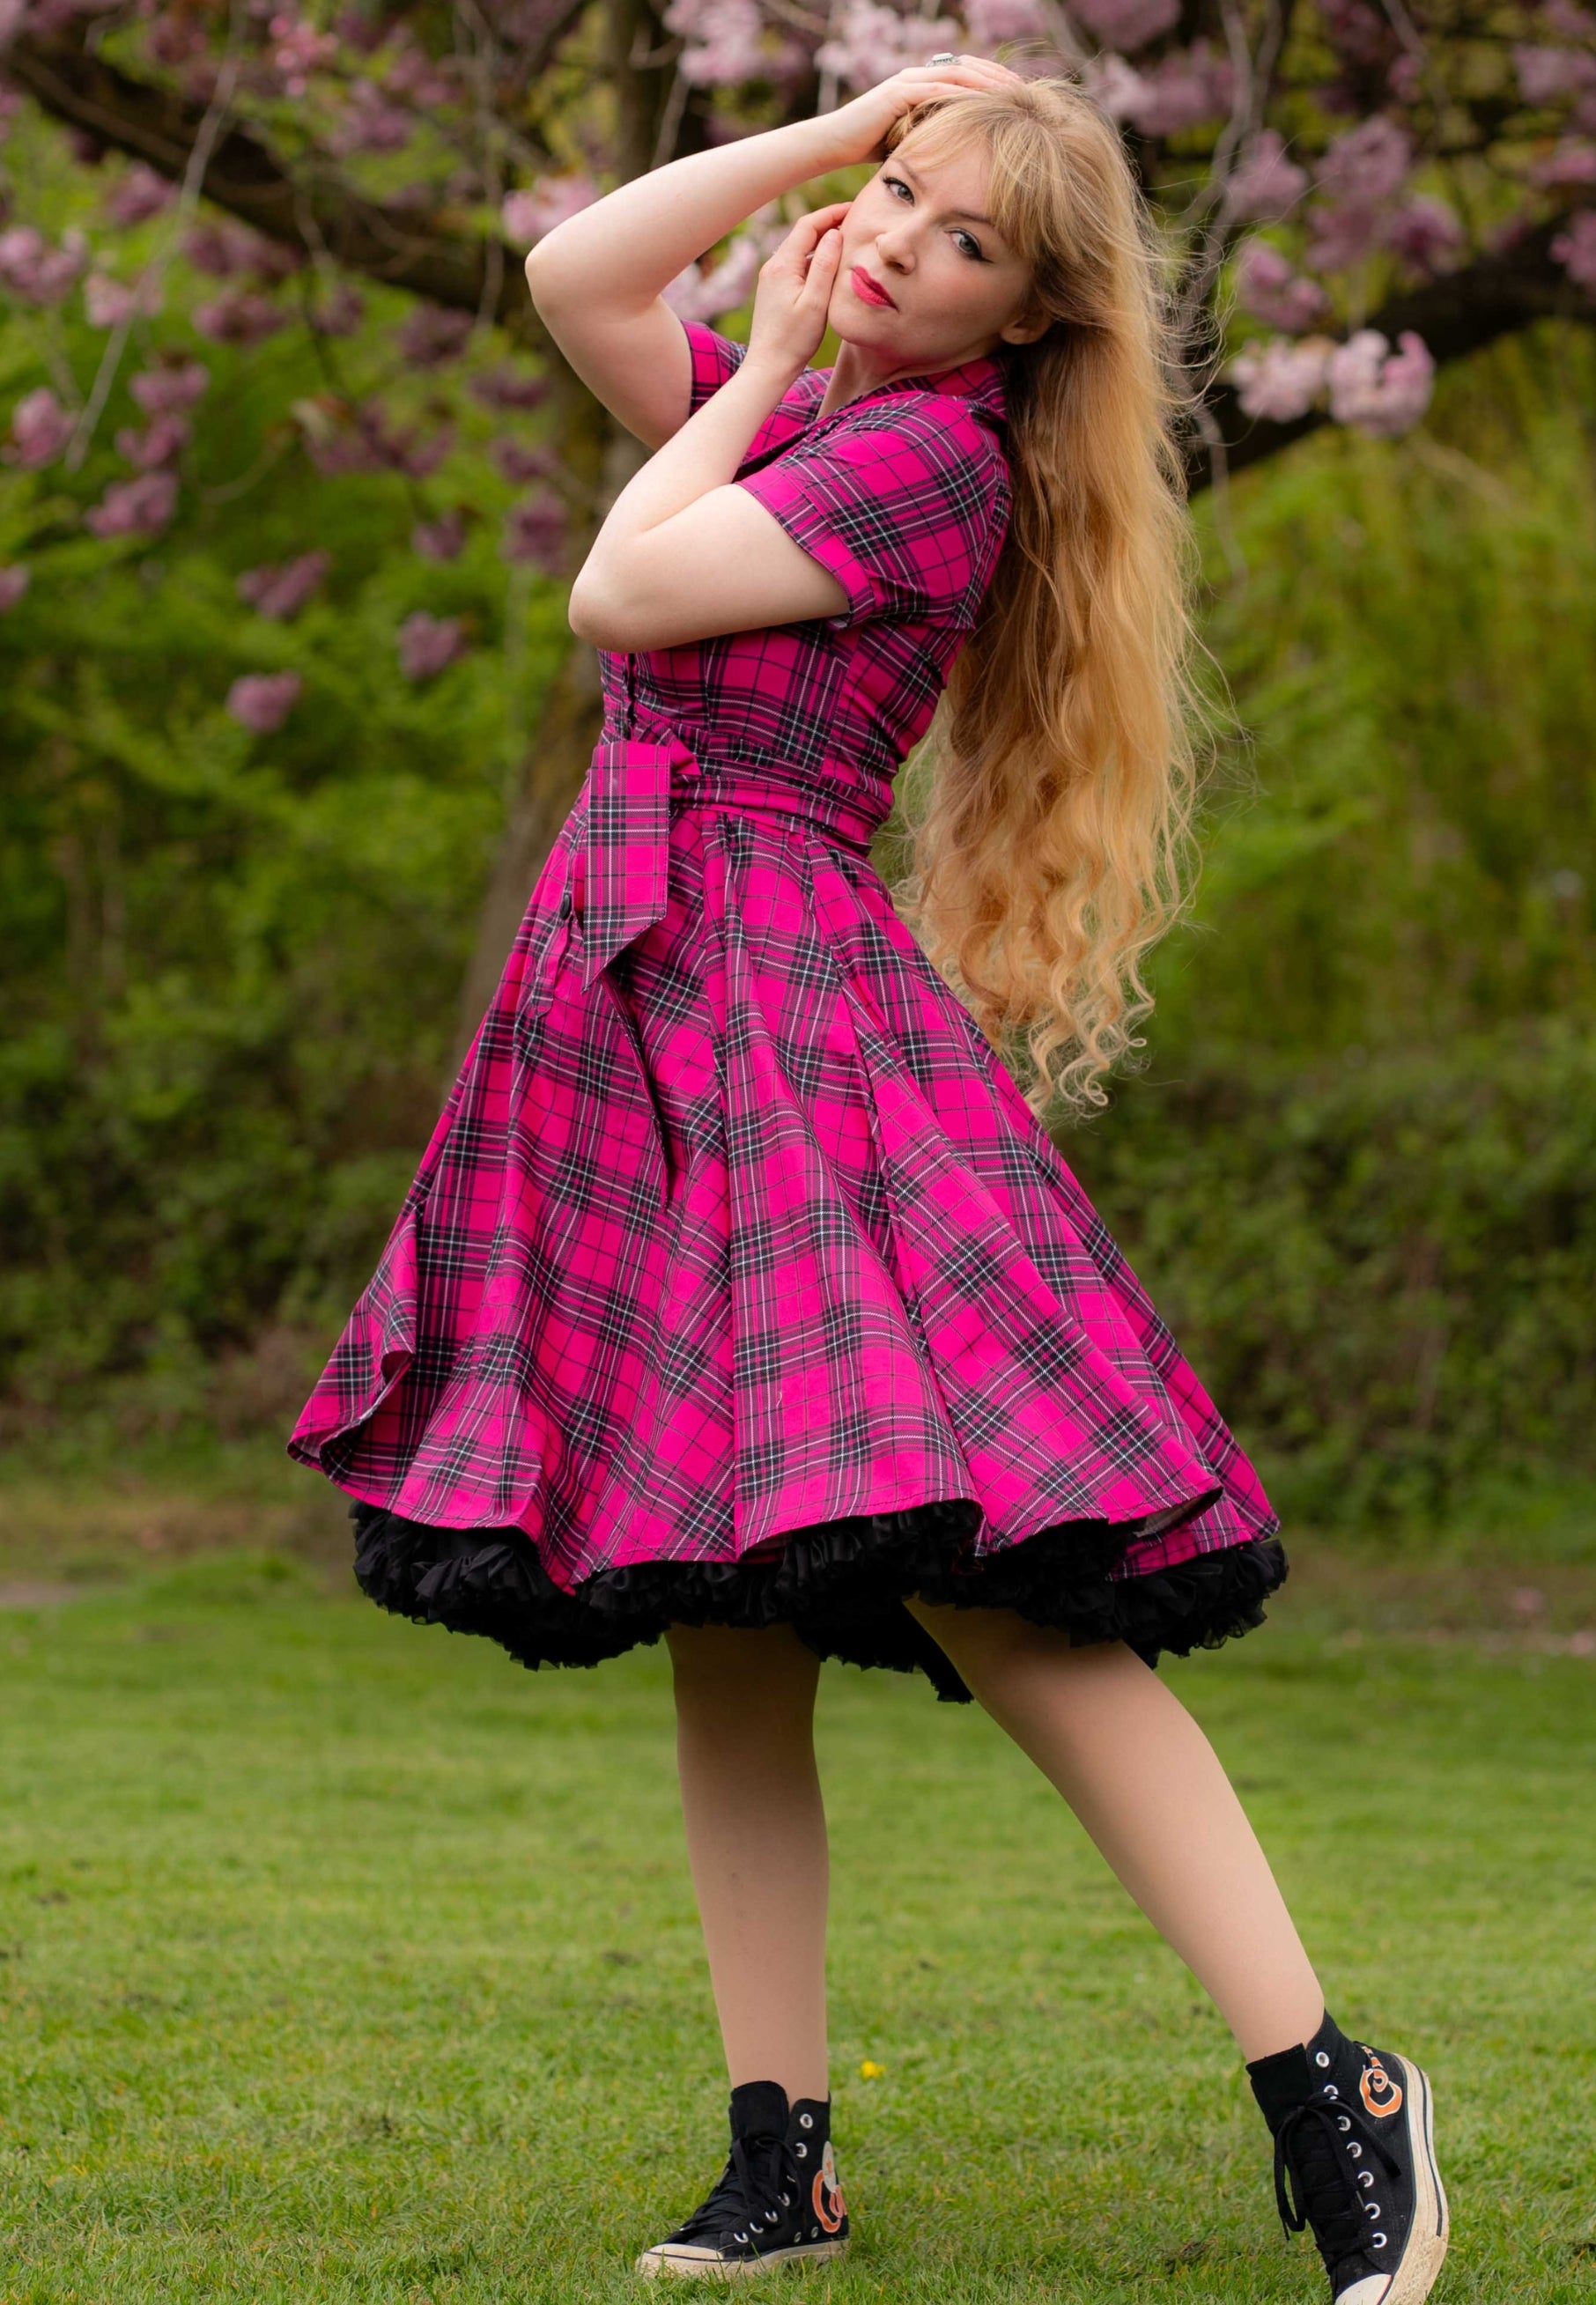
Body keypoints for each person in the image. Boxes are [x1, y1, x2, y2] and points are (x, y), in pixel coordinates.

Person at [288, 56, 1449, 2303]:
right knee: (725, 1619)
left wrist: (794, 354)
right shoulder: (810, 405)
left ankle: (1337, 2086)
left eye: (964, 235)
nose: (904, 239)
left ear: (1025, 322)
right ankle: (782, 2157)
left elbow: (620, 599)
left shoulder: (924, 456)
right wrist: (837, 152)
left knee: (1018, 1605)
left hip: (794, 1024)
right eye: (899, 198)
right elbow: (571, 267)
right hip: (647, 1017)